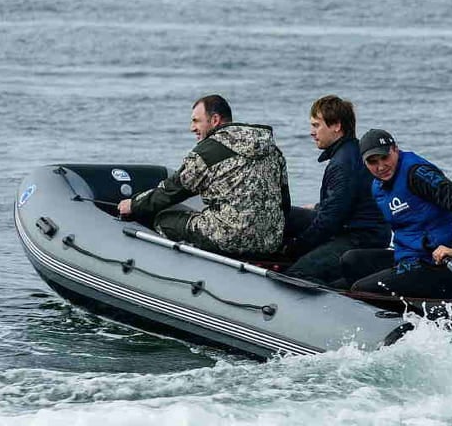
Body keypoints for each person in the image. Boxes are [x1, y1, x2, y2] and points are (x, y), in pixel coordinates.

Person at [118, 94, 290, 256]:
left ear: (215, 120)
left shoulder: (208, 152)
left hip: (230, 238)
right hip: (270, 241)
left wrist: (135, 205)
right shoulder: (273, 150)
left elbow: (173, 190)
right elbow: (284, 202)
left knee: (164, 220)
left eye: (196, 121)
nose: (192, 128)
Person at [341, 129, 452, 299]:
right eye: (372, 162)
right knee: (351, 261)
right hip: (408, 258)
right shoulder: (377, 187)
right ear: (364, 163)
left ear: (395, 149)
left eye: (385, 157)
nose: (381, 167)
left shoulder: (417, 174)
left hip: (439, 266)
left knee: (361, 289)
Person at [282, 95, 390, 286]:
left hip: (360, 237)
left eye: (316, 125)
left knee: (296, 274)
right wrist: (317, 207)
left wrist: (295, 248)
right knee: (285, 214)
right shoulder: (352, 151)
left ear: (336, 126)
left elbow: (329, 221)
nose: (312, 132)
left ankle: (339, 289)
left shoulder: (342, 163)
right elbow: (343, 202)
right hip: (360, 228)